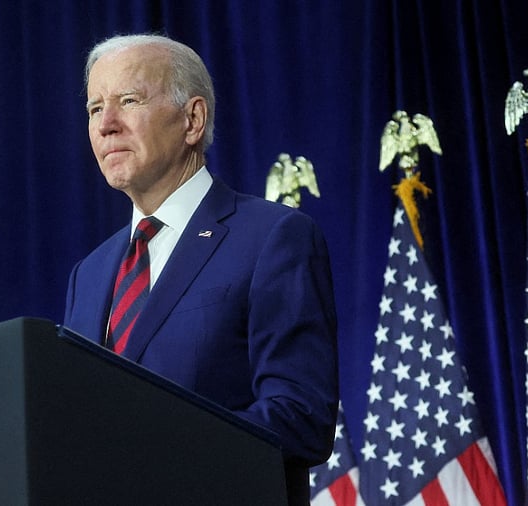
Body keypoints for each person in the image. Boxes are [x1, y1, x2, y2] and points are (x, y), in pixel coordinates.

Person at [63, 33, 338, 505]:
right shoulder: (88, 274)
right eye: (93, 109)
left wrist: (146, 443)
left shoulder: (273, 237)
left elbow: (302, 417)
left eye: (128, 100)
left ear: (192, 120)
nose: (106, 125)